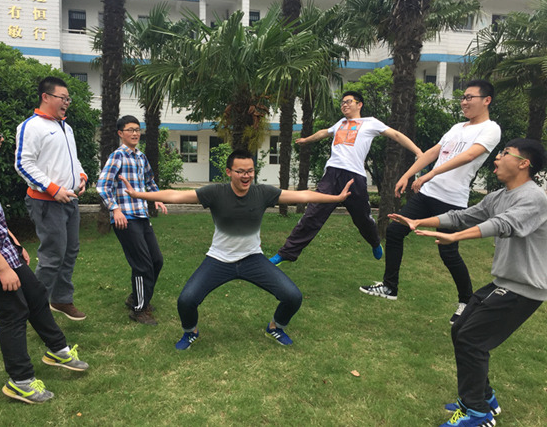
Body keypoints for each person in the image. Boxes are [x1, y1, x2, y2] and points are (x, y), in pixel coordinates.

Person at [121, 149, 353, 350]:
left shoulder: (262, 193)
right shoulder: (216, 193)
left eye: (250, 171)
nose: (246, 176)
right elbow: (175, 195)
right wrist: (138, 194)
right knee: (186, 301)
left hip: (253, 259)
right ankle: (190, 332)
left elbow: (303, 195)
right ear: (229, 172)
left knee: (293, 296)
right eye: (240, 171)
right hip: (218, 260)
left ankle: (275, 327)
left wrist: (336, 197)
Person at [388, 138, 546, 427]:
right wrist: (419, 222)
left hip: (525, 288)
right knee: (461, 328)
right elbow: (462, 216)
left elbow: (503, 225)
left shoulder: (534, 198)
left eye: (505, 153)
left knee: (472, 338)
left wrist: (454, 237)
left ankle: (476, 414)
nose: (497, 158)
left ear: (524, 163)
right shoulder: (499, 196)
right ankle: (484, 398)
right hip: (506, 281)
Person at [0, 108, 89, 404]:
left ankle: (58, 350)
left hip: (1, 249)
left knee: (35, 294)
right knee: (13, 311)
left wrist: (13, 243)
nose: (1, 140)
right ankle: (20, 381)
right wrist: (3, 268)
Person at [360, 80, 501, 324]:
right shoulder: (457, 127)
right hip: (428, 194)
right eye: (463, 97)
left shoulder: (491, 129)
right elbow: (433, 152)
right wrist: (407, 174)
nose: (464, 102)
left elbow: (469, 156)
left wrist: (431, 173)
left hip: (452, 200)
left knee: (448, 252)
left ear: (486, 100)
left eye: (470, 97)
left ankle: (466, 301)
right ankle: (390, 287)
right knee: (395, 231)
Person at [269, 91, 423, 266]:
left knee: (362, 218)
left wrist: (418, 151)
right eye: (342, 103)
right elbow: (323, 132)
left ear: (359, 104)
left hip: (354, 176)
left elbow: (396, 135)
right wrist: (307, 140)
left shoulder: (370, 122)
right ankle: (285, 253)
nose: (344, 105)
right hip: (332, 174)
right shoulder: (340, 123)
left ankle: (374, 242)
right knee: (313, 213)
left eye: (348, 101)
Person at [15, 77, 88, 321]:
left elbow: (72, 160)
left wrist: (81, 176)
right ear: (46, 97)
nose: (66, 103)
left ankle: (61, 299)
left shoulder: (66, 127)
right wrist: (53, 189)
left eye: (68, 99)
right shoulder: (31, 126)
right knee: (52, 256)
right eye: (62, 98)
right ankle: (35, 309)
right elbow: (23, 164)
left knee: (70, 252)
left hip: (70, 200)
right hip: (46, 201)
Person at [96, 115, 166, 325]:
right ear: (120, 133)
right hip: (125, 219)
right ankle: (139, 309)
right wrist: (115, 209)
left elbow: (149, 181)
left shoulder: (141, 157)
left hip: (142, 215)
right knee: (142, 264)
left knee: (156, 260)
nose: (135, 133)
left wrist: (157, 198)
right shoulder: (117, 156)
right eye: (130, 130)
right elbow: (102, 185)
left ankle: (136, 298)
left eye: (137, 129)